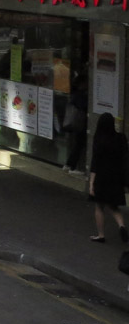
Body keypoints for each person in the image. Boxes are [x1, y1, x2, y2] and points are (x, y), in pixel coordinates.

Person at [87, 112, 129, 243]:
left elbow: (95, 162)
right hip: (116, 177)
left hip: (102, 177)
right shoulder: (121, 138)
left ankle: (101, 235)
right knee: (113, 205)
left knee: (99, 206)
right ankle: (121, 226)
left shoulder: (99, 139)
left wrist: (91, 183)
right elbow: (125, 158)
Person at [63, 76, 88, 175]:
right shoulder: (80, 95)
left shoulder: (75, 94)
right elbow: (84, 106)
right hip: (80, 123)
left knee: (78, 144)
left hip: (76, 123)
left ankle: (70, 165)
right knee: (79, 144)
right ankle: (72, 166)